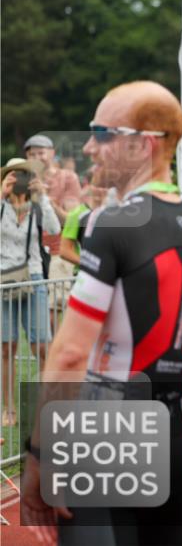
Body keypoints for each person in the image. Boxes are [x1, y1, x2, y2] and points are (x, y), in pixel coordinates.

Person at [20, 81, 182, 546]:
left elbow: (69, 353)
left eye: (102, 133)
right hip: (174, 429)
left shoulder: (113, 225)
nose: (87, 147)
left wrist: (39, 455)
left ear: (143, 144)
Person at [1, 158, 60, 426]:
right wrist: (2, 194)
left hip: (34, 277)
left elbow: (54, 229)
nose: (19, 180)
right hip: (4, 281)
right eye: (14, 175)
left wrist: (43, 195)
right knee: (6, 347)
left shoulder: (37, 208)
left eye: (24, 175)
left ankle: (46, 405)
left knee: (41, 347)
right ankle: (9, 408)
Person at [24, 134, 81, 313]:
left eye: (41, 153)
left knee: (55, 308)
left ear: (52, 153)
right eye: (31, 154)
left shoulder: (68, 177)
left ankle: (58, 342)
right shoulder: (22, 179)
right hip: (29, 253)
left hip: (58, 251)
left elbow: (70, 219)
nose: (36, 158)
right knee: (29, 309)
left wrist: (45, 198)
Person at [59, 185, 108, 268]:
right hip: (83, 275)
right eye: (97, 185)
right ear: (90, 187)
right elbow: (64, 251)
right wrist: (92, 266)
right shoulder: (76, 215)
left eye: (104, 186)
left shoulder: (111, 212)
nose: (100, 190)